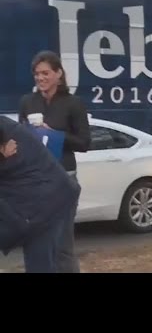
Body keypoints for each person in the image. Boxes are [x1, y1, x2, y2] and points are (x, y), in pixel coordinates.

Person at [18, 50, 90, 273]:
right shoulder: (27, 102)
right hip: (35, 182)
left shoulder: (73, 103)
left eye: (45, 73)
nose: (40, 78)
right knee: (36, 244)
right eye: (37, 74)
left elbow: (84, 143)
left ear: (58, 74)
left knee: (62, 246)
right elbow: (20, 139)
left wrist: (54, 134)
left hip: (63, 180)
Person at [0, 116, 81, 273]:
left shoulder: (8, 133)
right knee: (55, 258)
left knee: (49, 260)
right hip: (46, 196)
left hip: (44, 201)